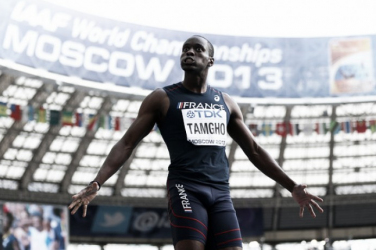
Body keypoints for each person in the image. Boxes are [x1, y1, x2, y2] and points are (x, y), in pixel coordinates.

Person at [69, 35, 324, 250]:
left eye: (197, 49)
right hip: (185, 187)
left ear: (210, 61)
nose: (189, 52)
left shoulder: (225, 102)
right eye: (185, 49)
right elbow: (127, 143)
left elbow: (254, 150)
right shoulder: (162, 98)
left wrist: (292, 186)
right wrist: (97, 182)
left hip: (221, 192)